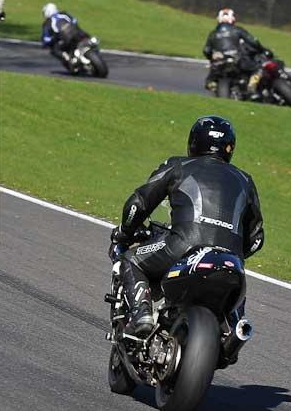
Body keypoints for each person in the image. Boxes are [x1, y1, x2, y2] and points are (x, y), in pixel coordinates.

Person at [109, 115, 264, 336]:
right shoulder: (246, 180)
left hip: (181, 245)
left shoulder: (178, 165)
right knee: (235, 284)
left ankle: (141, 314)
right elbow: (257, 238)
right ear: (230, 148)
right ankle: (233, 332)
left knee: (130, 260)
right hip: (231, 260)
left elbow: (138, 203)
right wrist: (232, 252)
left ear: (193, 142)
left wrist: (125, 233)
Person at [202, 8, 271, 93]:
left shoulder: (212, 34)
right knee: (258, 68)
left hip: (219, 62)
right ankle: (252, 84)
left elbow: (206, 50)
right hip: (237, 59)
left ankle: (214, 86)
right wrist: (261, 49)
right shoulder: (237, 30)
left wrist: (211, 59)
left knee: (209, 81)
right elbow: (253, 42)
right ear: (232, 19)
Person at [41, 3, 86, 70]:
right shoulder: (64, 14)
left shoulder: (47, 23)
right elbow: (74, 21)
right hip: (78, 33)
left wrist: (52, 39)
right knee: (86, 37)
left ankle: (67, 58)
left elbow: (46, 39)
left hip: (64, 40)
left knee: (54, 50)